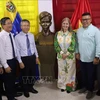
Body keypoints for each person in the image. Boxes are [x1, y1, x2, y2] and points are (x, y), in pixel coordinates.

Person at [76, 12, 100, 99]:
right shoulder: (79, 31)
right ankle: (85, 87)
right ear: (81, 21)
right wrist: (77, 52)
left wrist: (97, 56)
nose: (85, 21)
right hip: (82, 58)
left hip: (91, 59)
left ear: (90, 20)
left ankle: (90, 90)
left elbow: (98, 44)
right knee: (84, 74)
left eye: (87, 19)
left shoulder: (95, 31)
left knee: (90, 76)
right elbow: (77, 44)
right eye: (83, 19)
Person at [15, 19, 39, 98]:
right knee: (25, 75)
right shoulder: (17, 37)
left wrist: (37, 57)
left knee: (32, 74)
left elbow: (34, 47)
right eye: (24, 25)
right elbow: (17, 50)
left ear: (29, 26)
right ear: (21, 26)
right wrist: (20, 61)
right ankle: (25, 90)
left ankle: (30, 87)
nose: (26, 27)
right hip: (24, 58)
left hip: (32, 57)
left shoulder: (31, 35)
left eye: (27, 25)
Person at [54, 17, 76, 93]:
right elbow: (56, 45)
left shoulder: (72, 34)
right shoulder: (57, 33)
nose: (65, 25)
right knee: (61, 72)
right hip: (60, 57)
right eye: (64, 23)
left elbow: (73, 45)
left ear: (69, 25)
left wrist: (66, 54)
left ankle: (69, 87)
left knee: (70, 72)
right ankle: (62, 86)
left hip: (70, 56)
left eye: (67, 24)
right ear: (61, 24)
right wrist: (62, 53)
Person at [0, 17, 18, 100]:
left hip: (13, 60)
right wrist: (5, 65)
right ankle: (10, 97)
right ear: (3, 25)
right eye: (8, 23)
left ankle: (12, 93)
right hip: (7, 61)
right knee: (8, 81)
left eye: (11, 23)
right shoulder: (1, 36)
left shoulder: (11, 34)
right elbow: (1, 52)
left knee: (12, 79)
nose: (11, 25)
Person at [36, 11, 56, 80]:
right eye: (43, 22)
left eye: (47, 22)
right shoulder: (37, 37)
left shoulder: (54, 36)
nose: (45, 24)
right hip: (42, 64)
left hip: (52, 64)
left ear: (50, 23)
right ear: (40, 23)